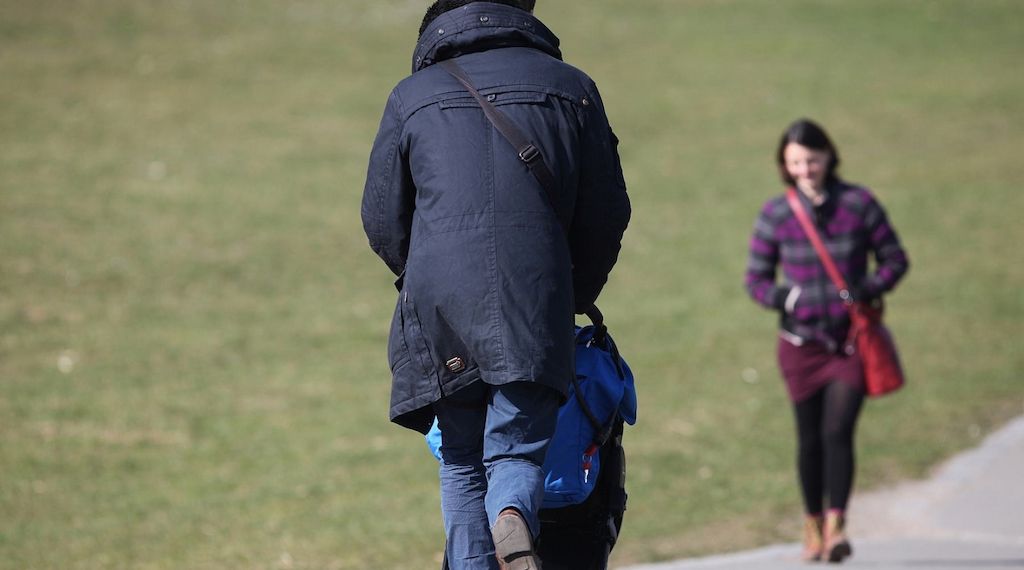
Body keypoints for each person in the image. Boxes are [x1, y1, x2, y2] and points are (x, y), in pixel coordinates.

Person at [361, 1, 630, 568]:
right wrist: (571, 294)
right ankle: (512, 514)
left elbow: (382, 218)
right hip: (536, 292)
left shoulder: (412, 96)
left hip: (441, 301)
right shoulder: (573, 87)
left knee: (460, 456)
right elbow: (606, 213)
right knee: (517, 449)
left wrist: (421, 275)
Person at [744, 119, 909, 563]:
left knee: (838, 430)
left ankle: (836, 526)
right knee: (809, 438)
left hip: (850, 343)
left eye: (812, 159)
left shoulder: (859, 204)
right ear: (785, 164)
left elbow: (895, 259)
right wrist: (787, 297)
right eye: (795, 161)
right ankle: (812, 526)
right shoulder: (776, 214)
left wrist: (868, 287)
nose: (806, 168)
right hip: (800, 346)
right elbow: (755, 281)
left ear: (829, 156)